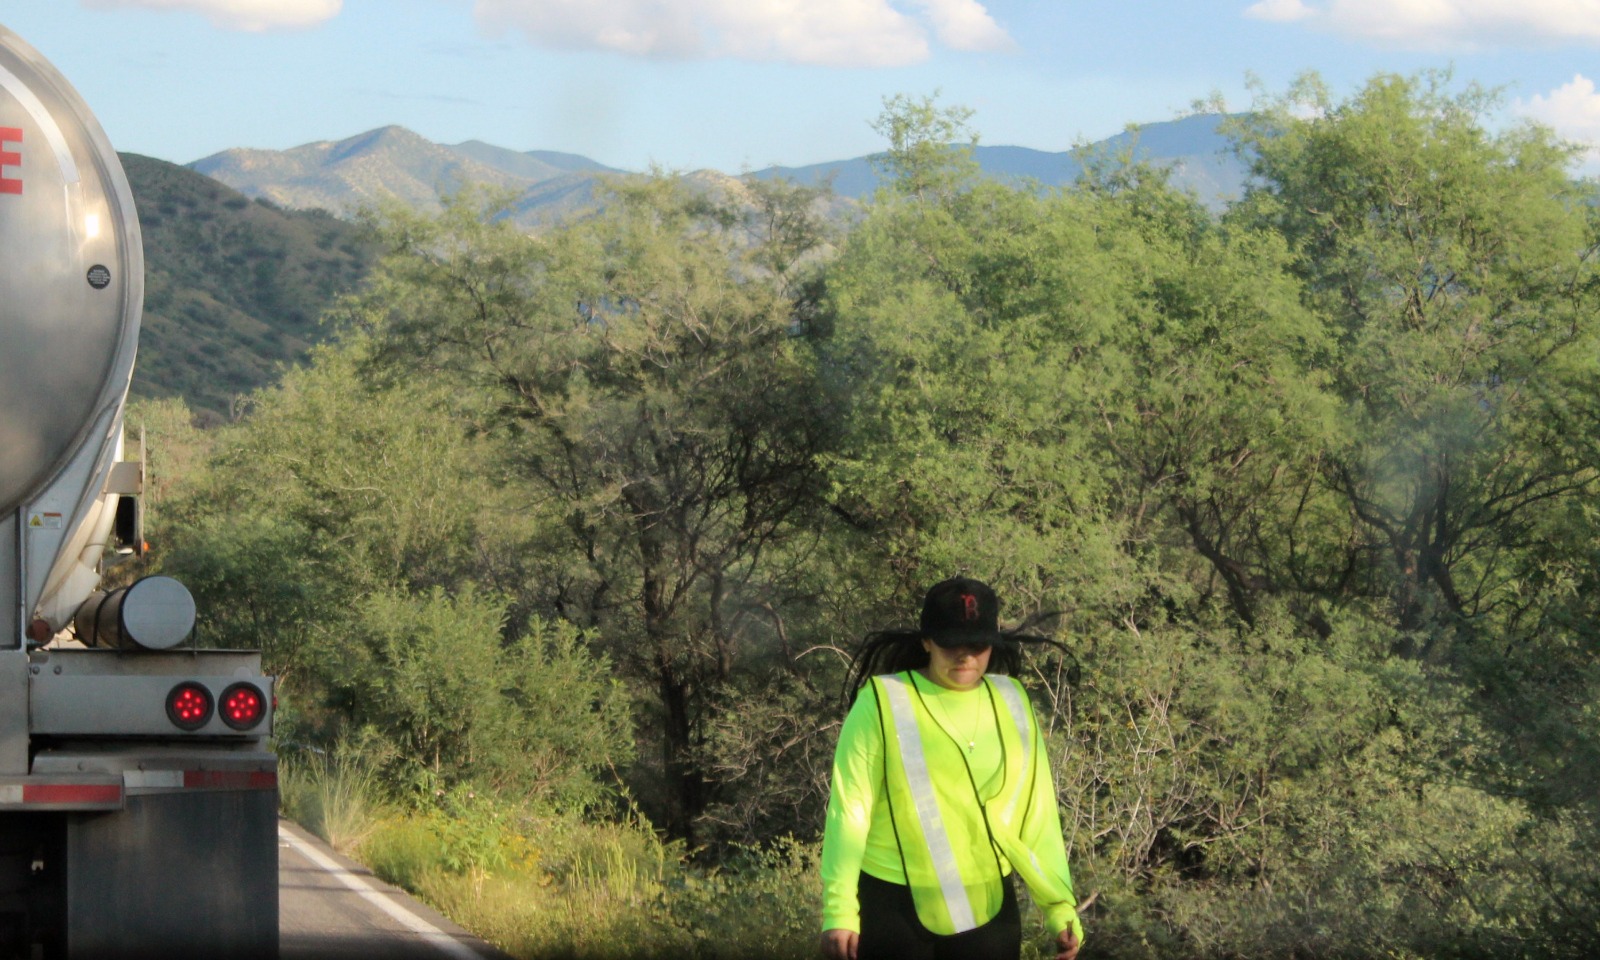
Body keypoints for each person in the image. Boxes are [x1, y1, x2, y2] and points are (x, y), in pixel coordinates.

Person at [819, 576, 1083, 960]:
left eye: (977, 646)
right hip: (893, 906)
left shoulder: (1013, 701)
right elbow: (850, 811)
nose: (965, 657)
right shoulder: (881, 701)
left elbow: (1038, 814)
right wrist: (840, 909)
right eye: (951, 644)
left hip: (988, 907)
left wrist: (1059, 908)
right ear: (927, 641)